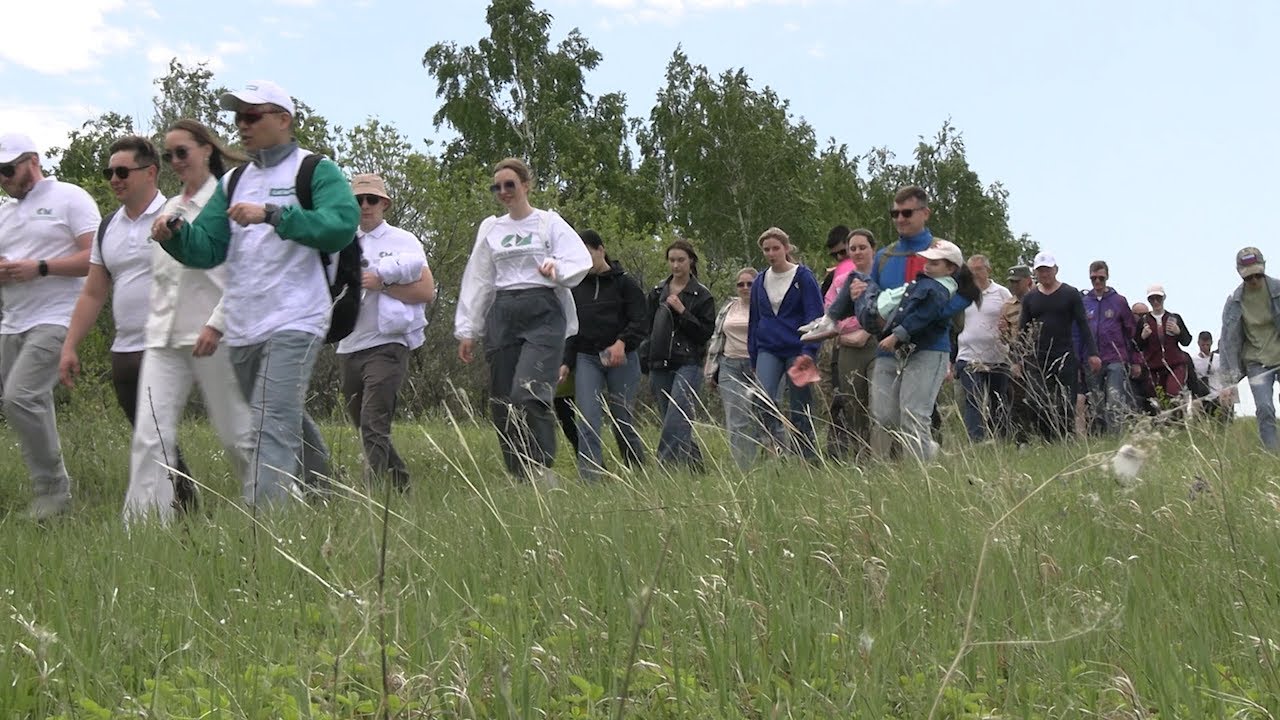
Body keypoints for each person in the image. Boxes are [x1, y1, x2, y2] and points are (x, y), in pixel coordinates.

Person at [152, 80, 360, 506]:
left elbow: (340, 225)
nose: (241, 125)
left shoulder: (314, 170)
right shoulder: (234, 181)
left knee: (271, 420)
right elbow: (208, 249)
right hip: (245, 323)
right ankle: (327, 494)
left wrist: (273, 214)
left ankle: (263, 525)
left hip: (298, 316)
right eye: (237, 118)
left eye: (251, 116)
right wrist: (176, 235)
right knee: (278, 416)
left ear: (283, 120)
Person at [53, 135, 196, 519]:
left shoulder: (177, 214)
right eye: (109, 173)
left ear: (150, 172)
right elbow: (93, 292)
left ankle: (170, 513)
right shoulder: (107, 228)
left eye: (122, 171)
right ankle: (186, 506)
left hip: (167, 343)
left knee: (155, 431)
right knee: (147, 434)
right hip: (125, 350)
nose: (114, 179)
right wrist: (70, 346)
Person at [455, 158, 591, 485]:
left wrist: (555, 267)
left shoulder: (548, 222)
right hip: (502, 312)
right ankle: (521, 474)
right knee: (503, 401)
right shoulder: (491, 228)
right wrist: (469, 328)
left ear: (526, 185)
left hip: (543, 310)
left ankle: (540, 465)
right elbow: (479, 278)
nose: (503, 191)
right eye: (497, 187)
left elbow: (579, 258)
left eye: (510, 185)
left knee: (528, 391)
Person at [0, 133, 97, 519]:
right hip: (12, 321)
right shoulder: (5, 213)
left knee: (20, 397)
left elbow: (96, 257)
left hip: (58, 316)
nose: (4, 178)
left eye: (8, 169)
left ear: (33, 161)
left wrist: (40, 267)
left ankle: (53, 493)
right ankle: (51, 493)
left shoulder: (70, 197)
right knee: (27, 401)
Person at [337, 173, 434, 491]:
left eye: (372, 199)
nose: (365, 205)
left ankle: (373, 494)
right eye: (358, 200)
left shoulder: (403, 241)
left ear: (385, 203)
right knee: (364, 425)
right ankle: (401, 485)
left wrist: (383, 284)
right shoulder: (342, 242)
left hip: (387, 343)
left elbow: (426, 291)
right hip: (349, 344)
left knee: (373, 421)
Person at [873, 240, 977, 461]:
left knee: (914, 412)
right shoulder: (925, 285)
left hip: (931, 350)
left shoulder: (947, 291)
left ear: (951, 268)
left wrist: (896, 335)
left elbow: (928, 315)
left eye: (935, 263)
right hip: (912, 350)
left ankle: (920, 468)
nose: (927, 266)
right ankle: (925, 455)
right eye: (927, 261)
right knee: (901, 413)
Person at [559, 229, 648, 481]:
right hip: (587, 357)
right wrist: (566, 362)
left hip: (622, 357)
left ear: (601, 250)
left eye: (587, 254)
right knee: (587, 419)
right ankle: (591, 478)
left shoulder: (625, 284)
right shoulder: (575, 288)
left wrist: (622, 342)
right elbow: (572, 329)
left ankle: (637, 471)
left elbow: (640, 321)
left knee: (622, 419)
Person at [748, 227, 824, 459]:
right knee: (763, 399)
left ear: (786, 248)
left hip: (799, 349)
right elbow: (755, 320)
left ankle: (806, 456)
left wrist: (810, 351)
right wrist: (754, 356)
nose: (771, 253)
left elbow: (815, 316)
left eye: (776, 248)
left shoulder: (803, 277)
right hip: (768, 348)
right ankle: (776, 447)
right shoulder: (759, 281)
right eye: (766, 250)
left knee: (801, 406)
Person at [644, 239, 715, 470]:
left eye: (681, 260)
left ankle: (664, 467)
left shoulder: (702, 295)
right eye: (672, 260)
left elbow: (704, 333)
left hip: (689, 361)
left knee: (677, 415)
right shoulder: (657, 292)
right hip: (659, 361)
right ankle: (696, 468)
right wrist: (646, 358)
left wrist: (683, 312)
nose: (676, 265)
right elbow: (647, 328)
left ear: (691, 261)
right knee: (672, 420)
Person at [1018, 252, 1101, 441]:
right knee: (1037, 400)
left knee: (1066, 402)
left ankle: (1064, 438)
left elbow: (1083, 324)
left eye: (1047, 270)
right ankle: (1047, 439)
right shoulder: (1030, 298)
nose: (1044, 274)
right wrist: (1019, 358)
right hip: (1039, 358)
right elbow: (1023, 329)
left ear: (1055, 270)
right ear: (1035, 273)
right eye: (1040, 270)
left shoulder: (1070, 293)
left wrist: (1093, 353)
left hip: (1065, 354)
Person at [1218, 247, 1280, 449]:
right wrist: (1228, 382)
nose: (1253, 280)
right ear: (1240, 274)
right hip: (1256, 362)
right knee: (1264, 408)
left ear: (1264, 268)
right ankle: (1272, 454)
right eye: (1248, 277)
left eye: (1257, 275)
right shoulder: (1234, 302)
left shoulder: (1278, 290)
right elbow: (1228, 342)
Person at [827, 229, 878, 459]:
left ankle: (887, 454)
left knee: (879, 402)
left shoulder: (883, 276)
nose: (857, 252)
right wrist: (840, 336)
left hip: (877, 343)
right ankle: (862, 456)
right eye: (853, 248)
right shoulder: (841, 281)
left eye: (862, 247)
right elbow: (830, 313)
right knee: (854, 402)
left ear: (873, 249)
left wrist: (866, 332)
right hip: (847, 345)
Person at [953, 254, 1013, 442]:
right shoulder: (962, 294)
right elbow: (953, 323)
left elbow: (1012, 316)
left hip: (997, 356)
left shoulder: (1001, 293)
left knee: (998, 399)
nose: (975, 273)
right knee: (973, 399)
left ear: (988, 270)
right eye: (971, 270)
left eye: (979, 269)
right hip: (968, 355)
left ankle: (1000, 439)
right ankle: (976, 441)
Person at [706, 267, 761, 469]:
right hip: (730, 365)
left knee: (763, 415)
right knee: (737, 417)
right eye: (740, 284)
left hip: (758, 365)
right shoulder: (729, 307)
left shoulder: (764, 306)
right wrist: (711, 369)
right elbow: (717, 338)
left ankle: (770, 462)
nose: (745, 288)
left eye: (750, 284)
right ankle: (743, 468)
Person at [1079, 260, 1140, 434]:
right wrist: (1079, 360)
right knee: (1096, 402)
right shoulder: (1084, 302)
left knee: (1114, 400)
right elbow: (1079, 333)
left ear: (1107, 277)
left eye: (1101, 278)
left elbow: (1131, 332)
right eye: (1094, 278)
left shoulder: (1118, 301)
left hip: (1115, 358)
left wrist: (1135, 360)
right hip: (1092, 359)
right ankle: (1101, 437)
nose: (1097, 281)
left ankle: (1115, 436)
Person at [1135, 283, 1192, 403]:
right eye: (1152, 299)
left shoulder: (1174, 318)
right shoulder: (1144, 321)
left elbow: (1186, 341)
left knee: (1173, 395)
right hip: (1153, 367)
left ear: (1164, 298)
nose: (1155, 302)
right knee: (1158, 400)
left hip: (1175, 364)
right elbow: (1136, 346)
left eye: (1158, 298)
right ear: (1149, 300)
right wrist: (1142, 337)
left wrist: (1179, 332)